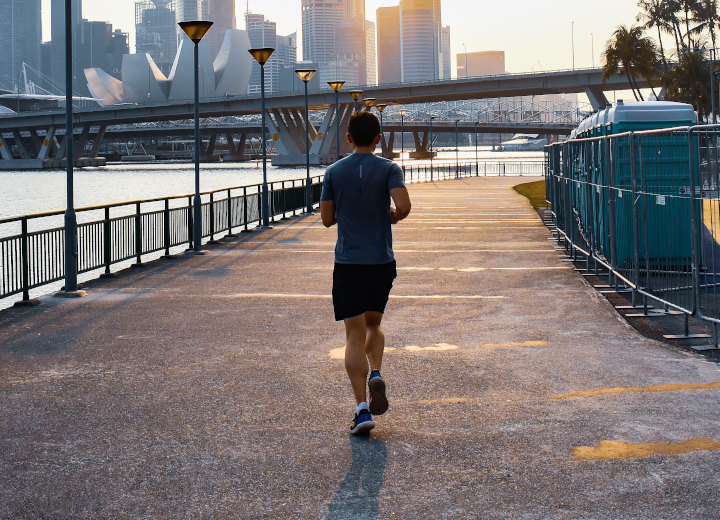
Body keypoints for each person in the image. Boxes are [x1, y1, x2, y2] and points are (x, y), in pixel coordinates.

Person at [320, 111, 412, 435]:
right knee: (374, 324)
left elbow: (327, 219)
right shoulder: (389, 168)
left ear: (348, 138)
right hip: (380, 262)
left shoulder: (333, 172)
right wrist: (390, 216)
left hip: (348, 263)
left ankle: (361, 410)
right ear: (378, 139)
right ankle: (376, 372)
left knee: (353, 335)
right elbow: (404, 206)